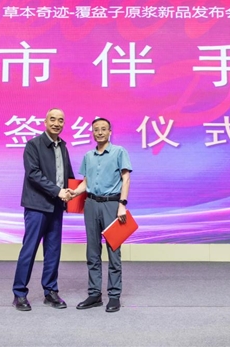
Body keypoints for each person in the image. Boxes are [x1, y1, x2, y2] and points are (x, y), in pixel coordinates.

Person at [12, 108, 75, 311]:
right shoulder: (33, 144)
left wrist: (73, 193)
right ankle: (19, 294)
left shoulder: (62, 146)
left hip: (56, 206)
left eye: (61, 120)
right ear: (45, 122)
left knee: (53, 251)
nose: (57, 123)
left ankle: (50, 291)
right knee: (29, 250)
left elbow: (68, 175)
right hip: (37, 206)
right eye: (53, 119)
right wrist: (58, 191)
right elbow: (33, 174)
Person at [70, 117, 132, 313]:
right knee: (92, 251)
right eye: (96, 129)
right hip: (91, 204)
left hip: (112, 205)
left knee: (114, 251)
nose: (99, 132)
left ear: (110, 132)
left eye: (103, 129)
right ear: (92, 132)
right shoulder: (88, 156)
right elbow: (86, 182)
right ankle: (95, 294)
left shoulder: (119, 152)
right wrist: (74, 193)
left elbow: (126, 178)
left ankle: (114, 296)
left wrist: (122, 205)